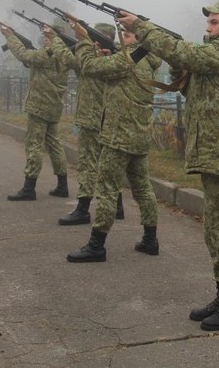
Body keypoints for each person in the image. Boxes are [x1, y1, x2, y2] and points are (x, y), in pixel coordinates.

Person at [117, 0, 219, 331]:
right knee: (215, 228)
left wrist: (141, 26)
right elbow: (189, 85)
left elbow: (188, 54)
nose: (208, 28)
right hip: (215, 152)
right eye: (208, 23)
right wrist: (177, 68)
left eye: (214, 23)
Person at [64, 20, 162, 262]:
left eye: (127, 36)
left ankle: (96, 245)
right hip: (138, 137)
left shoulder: (127, 62)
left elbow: (88, 66)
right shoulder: (147, 62)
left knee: (107, 190)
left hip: (118, 136)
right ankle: (151, 239)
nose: (122, 40)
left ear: (138, 40)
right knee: (142, 188)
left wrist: (84, 39)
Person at [52, 23, 126, 225]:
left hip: (91, 119)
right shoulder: (114, 60)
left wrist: (55, 39)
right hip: (106, 119)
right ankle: (117, 206)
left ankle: (83, 209)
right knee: (108, 165)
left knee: (87, 164)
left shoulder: (90, 60)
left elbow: (67, 58)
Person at [0, 23, 71, 202]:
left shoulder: (49, 54)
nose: (45, 41)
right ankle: (63, 185)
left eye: (49, 38)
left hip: (40, 106)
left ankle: (29, 188)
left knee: (34, 145)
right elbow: (31, 60)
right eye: (45, 38)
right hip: (53, 105)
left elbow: (24, 55)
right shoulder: (64, 55)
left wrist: (9, 35)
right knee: (54, 144)